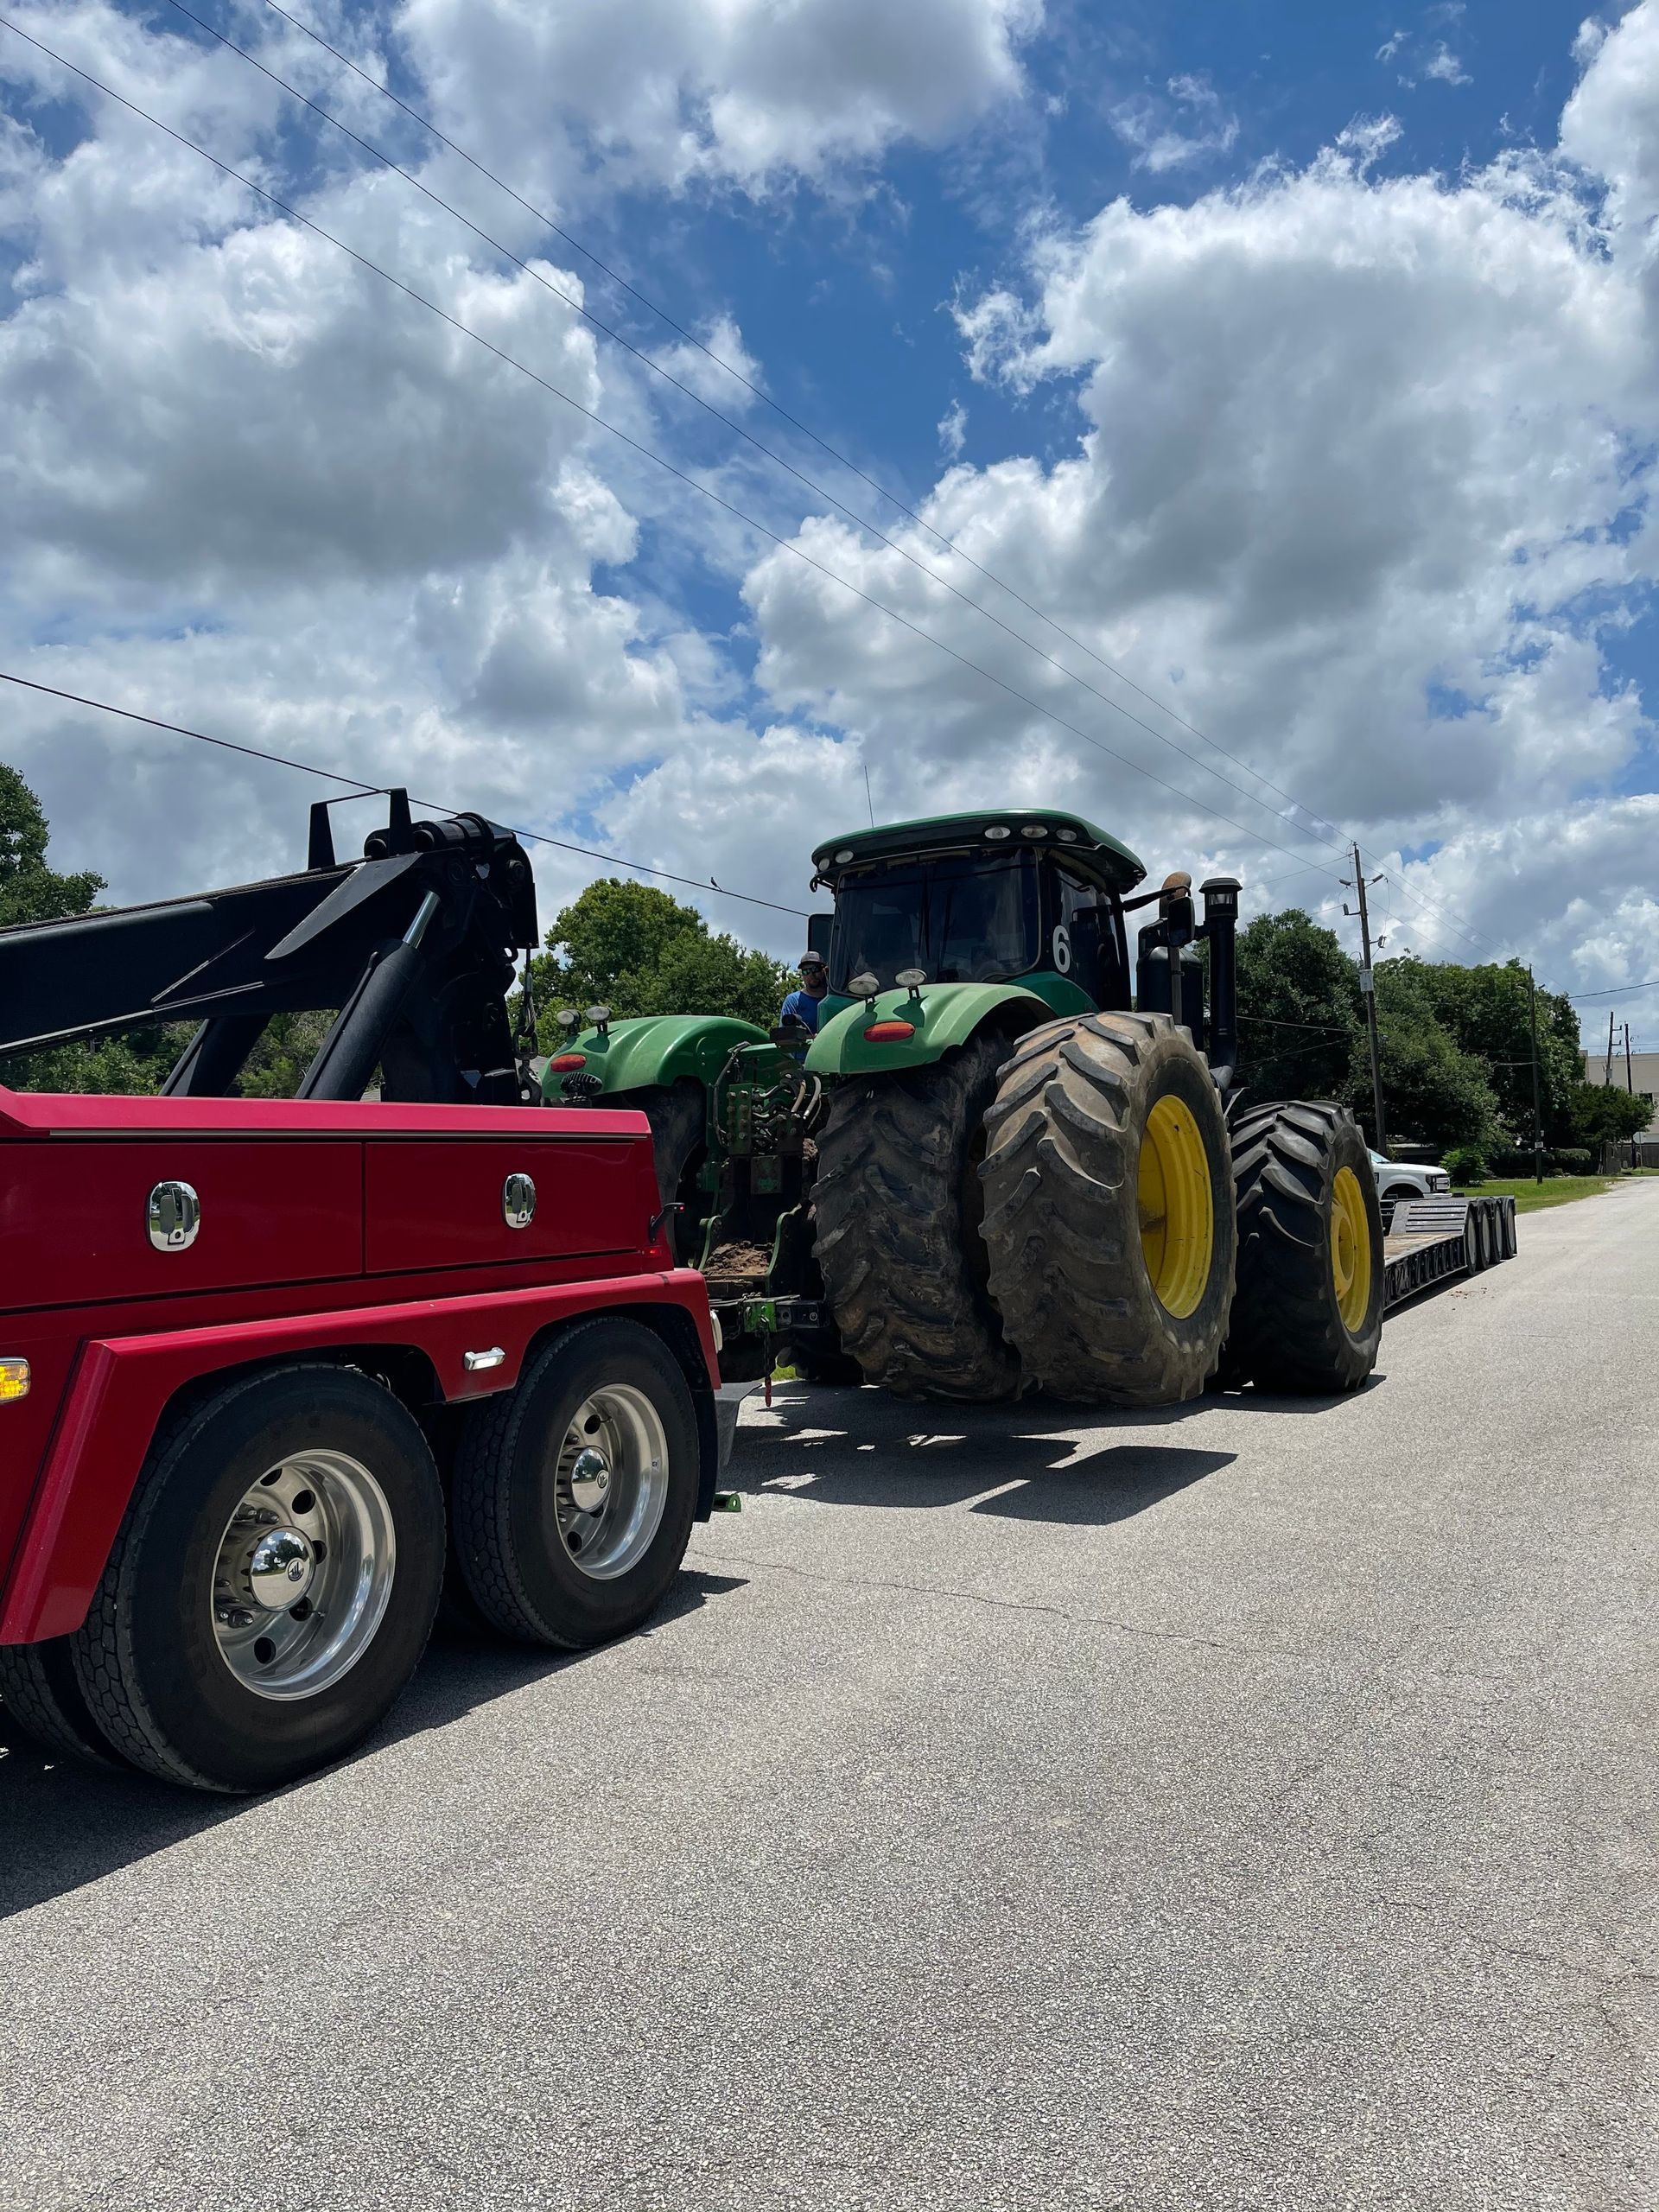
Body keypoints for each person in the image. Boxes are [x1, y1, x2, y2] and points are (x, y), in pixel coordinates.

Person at [780, 952, 830, 1034]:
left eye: (815, 969)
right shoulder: (793, 1001)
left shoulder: (834, 999)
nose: (811, 974)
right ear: (802, 975)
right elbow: (785, 1036)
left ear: (824, 971)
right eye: (806, 971)